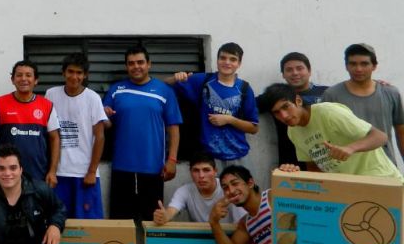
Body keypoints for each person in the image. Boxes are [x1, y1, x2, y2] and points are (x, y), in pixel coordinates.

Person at [259, 83, 404, 181]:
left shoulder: (328, 112)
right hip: (347, 189)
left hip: (380, 179)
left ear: (298, 101)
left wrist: (350, 148)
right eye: (276, 112)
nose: (284, 116)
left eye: (286, 107)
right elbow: (313, 169)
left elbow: (380, 136)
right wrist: (294, 174)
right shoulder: (292, 132)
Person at [103, 45, 182, 222]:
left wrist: (172, 160)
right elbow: (105, 125)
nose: (136, 66)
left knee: (153, 222)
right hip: (121, 168)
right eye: (131, 63)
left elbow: (173, 128)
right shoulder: (116, 90)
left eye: (140, 62)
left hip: (153, 168)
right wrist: (105, 115)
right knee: (121, 223)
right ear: (126, 66)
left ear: (149, 64)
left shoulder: (164, 90)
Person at [167, 42, 259, 168]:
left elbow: (253, 128)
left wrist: (229, 120)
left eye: (233, 59)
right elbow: (163, 86)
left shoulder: (245, 89)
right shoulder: (203, 80)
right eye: (223, 58)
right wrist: (175, 77)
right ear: (217, 60)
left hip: (239, 155)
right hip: (208, 158)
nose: (227, 62)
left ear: (239, 64)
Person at [45, 53, 107, 218]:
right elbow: (48, 134)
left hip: (84, 173)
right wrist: (51, 170)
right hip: (59, 173)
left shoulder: (93, 98)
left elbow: (100, 137)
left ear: (85, 75)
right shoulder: (51, 94)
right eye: (70, 71)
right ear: (63, 72)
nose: (74, 76)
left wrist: (92, 171)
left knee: (88, 225)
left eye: (79, 73)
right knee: (58, 222)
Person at [323, 43, 404, 164]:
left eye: (364, 64)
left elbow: (401, 131)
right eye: (353, 64)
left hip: (386, 166)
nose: (358, 69)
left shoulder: (391, 93)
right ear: (346, 66)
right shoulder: (332, 95)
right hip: (348, 167)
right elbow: (323, 134)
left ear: (374, 66)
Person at [0, 60, 60, 186]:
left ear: (36, 80)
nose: (23, 79)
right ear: (12, 80)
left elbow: (55, 139)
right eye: (19, 75)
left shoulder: (47, 106)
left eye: (28, 75)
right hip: (6, 175)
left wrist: (52, 171)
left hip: (38, 175)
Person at [259, 53, 327, 168]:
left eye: (299, 68)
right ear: (283, 75)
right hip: (290, 162)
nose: (295, 73)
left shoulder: (327, 93)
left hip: (326, 157)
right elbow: (246, 108)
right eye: (289, 70)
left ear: (309, 71)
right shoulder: (272, 97)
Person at [153, 154, 246, 225]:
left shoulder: (229, 190)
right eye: (196, 170)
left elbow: (242, 223)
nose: (201, 176)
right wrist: (164, 216)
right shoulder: (185, 191)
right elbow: (172, 210)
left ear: (215, 172)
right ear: (190, 172)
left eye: (206, 170)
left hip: (229, 238)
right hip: (199, 239)